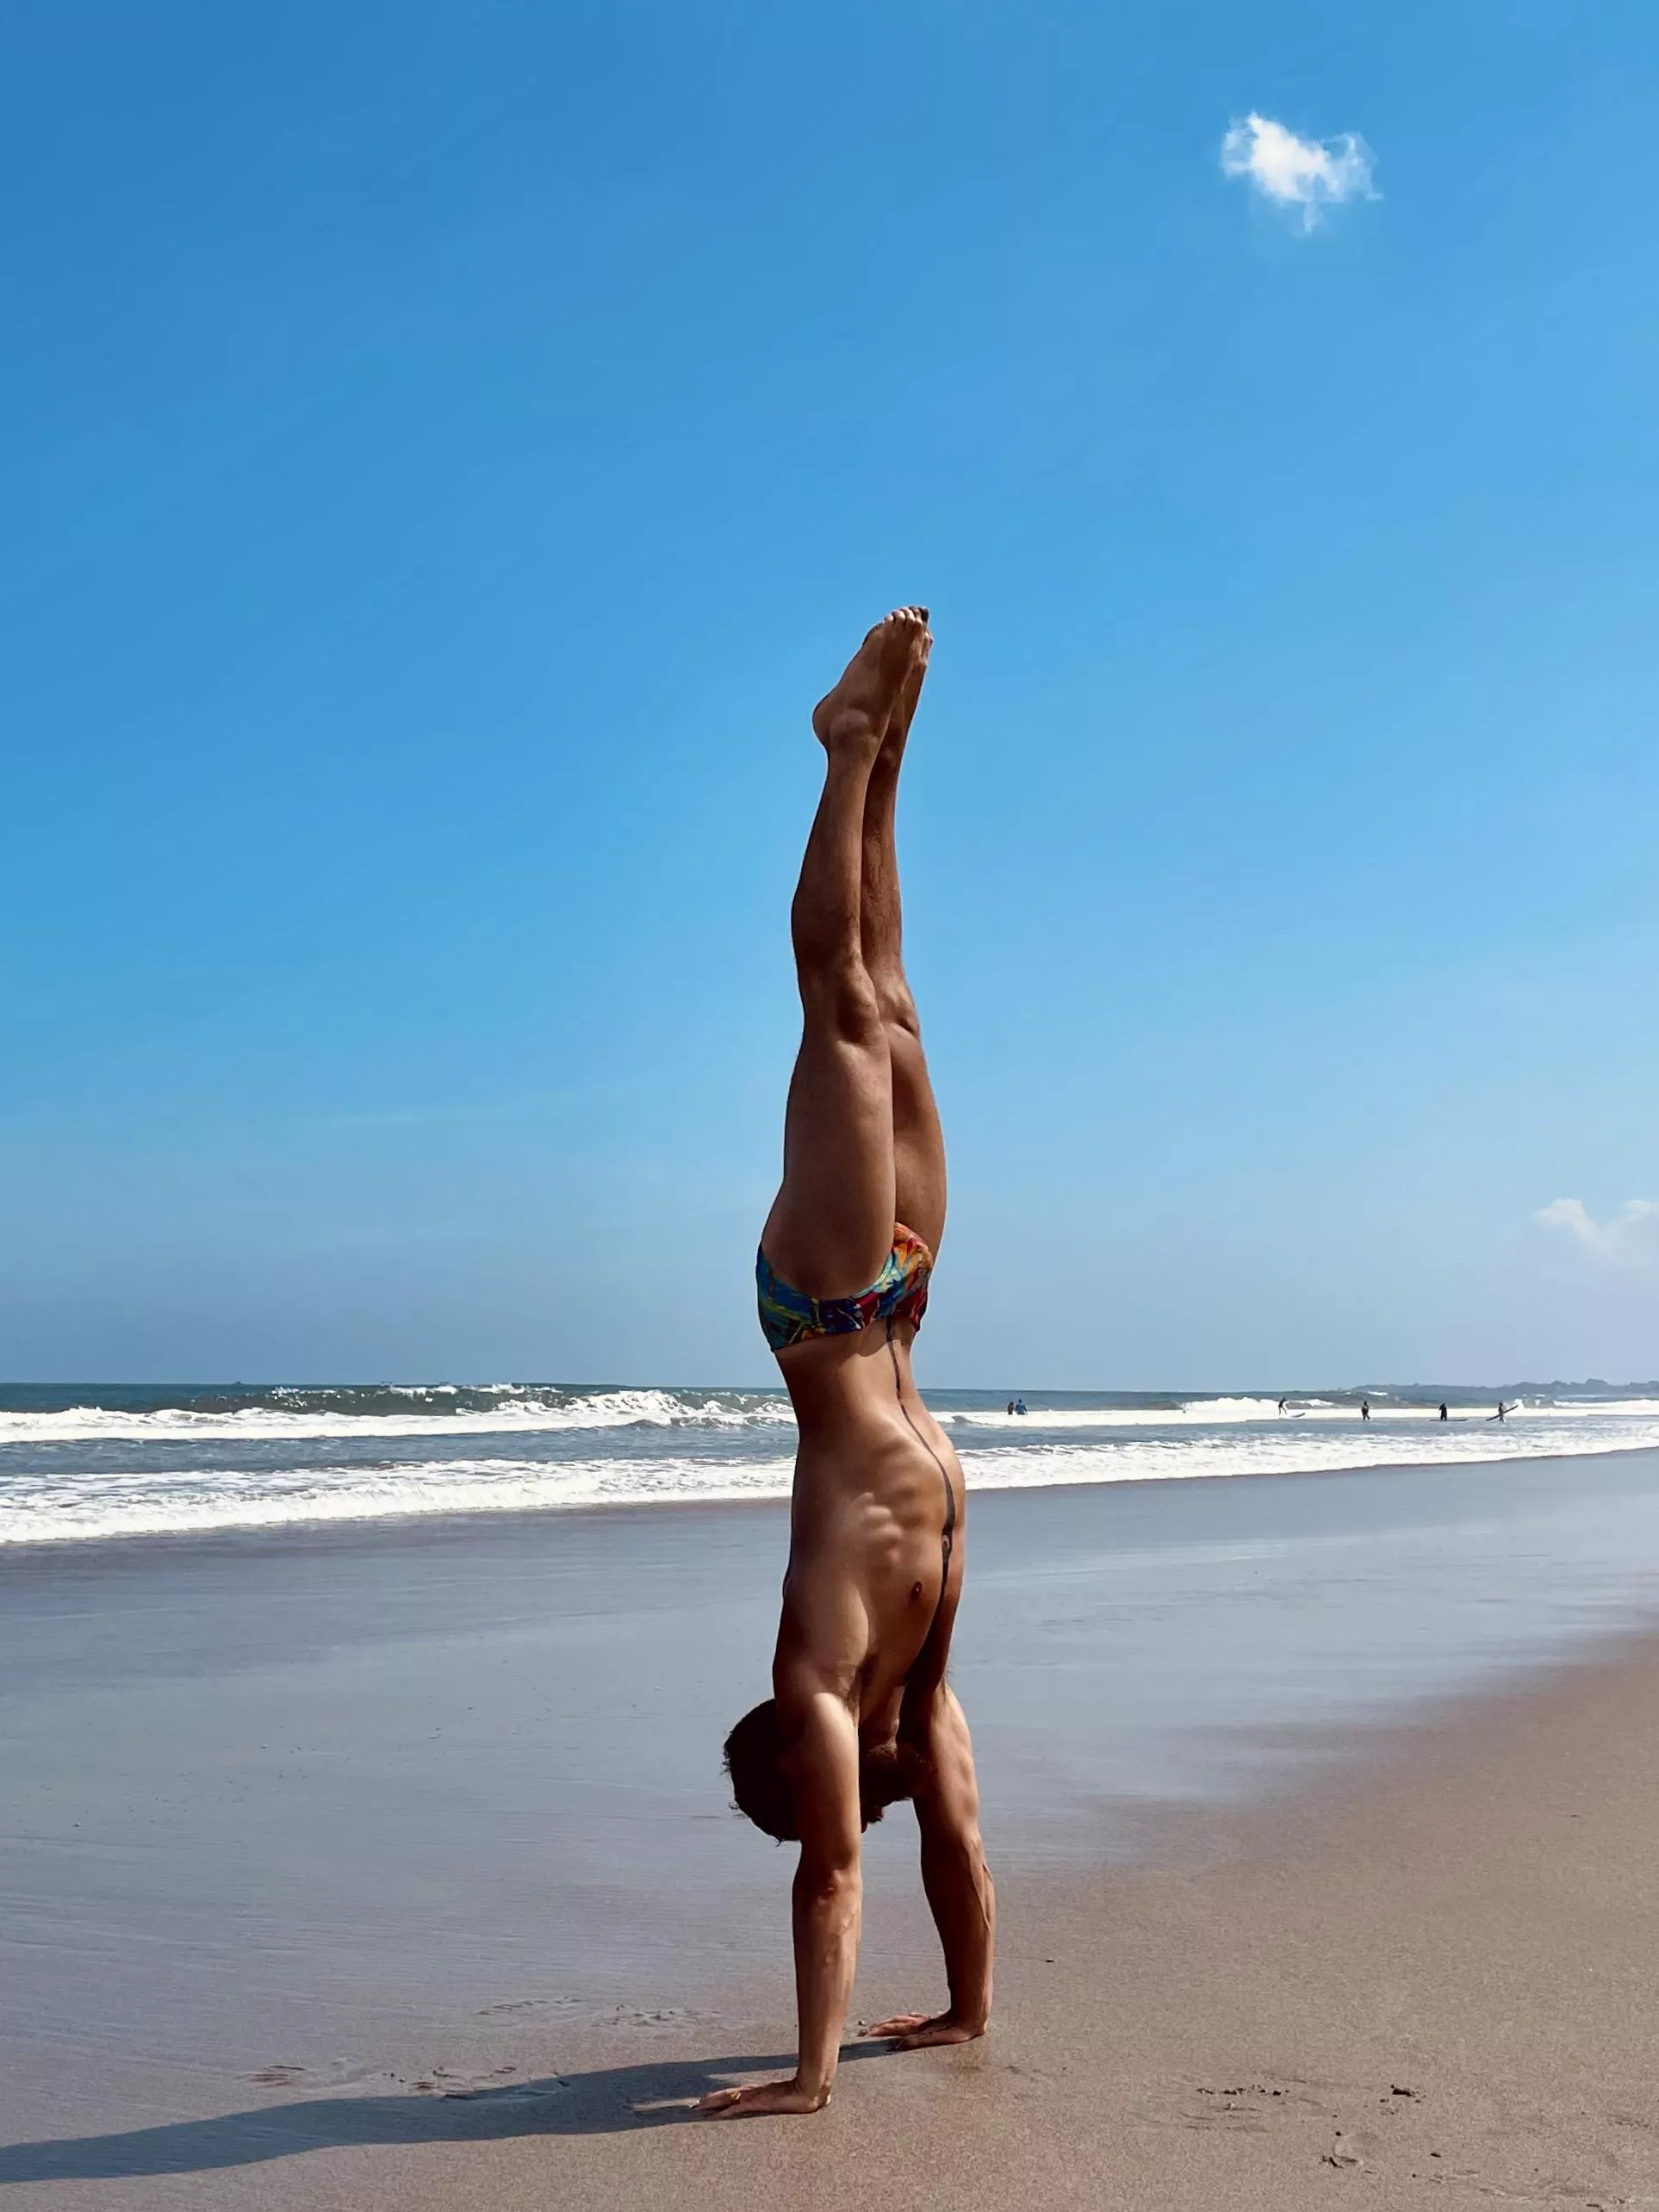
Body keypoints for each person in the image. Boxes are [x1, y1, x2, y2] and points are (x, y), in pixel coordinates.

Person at [702, 609, 994, 2121]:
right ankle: (883, 758)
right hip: (893, 1317)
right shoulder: (917, 1690)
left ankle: (846, 756)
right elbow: (950, 1836)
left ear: (803, 1755)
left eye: (843, 1777)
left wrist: (808, 2080)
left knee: (835, 1000)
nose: (872, 1783)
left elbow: (832, 1877)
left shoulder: (821, 1674)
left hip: (831, 1308)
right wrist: (964, 2007)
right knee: (887, 995)